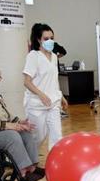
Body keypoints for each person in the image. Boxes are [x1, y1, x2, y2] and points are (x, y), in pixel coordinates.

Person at [23, 23, 68, 151]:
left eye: (52, 38)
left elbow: (53, 81)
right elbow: (27, 81)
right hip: (36, 104)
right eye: (46, 39)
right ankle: (27, 161)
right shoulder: (33, 56)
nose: (50, 41)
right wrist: (41, 95)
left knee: (57, 137)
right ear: (38, 39)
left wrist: (61, 96)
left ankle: (55, 165)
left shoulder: (54, 57)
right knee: (38, 137)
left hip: (53, 103)